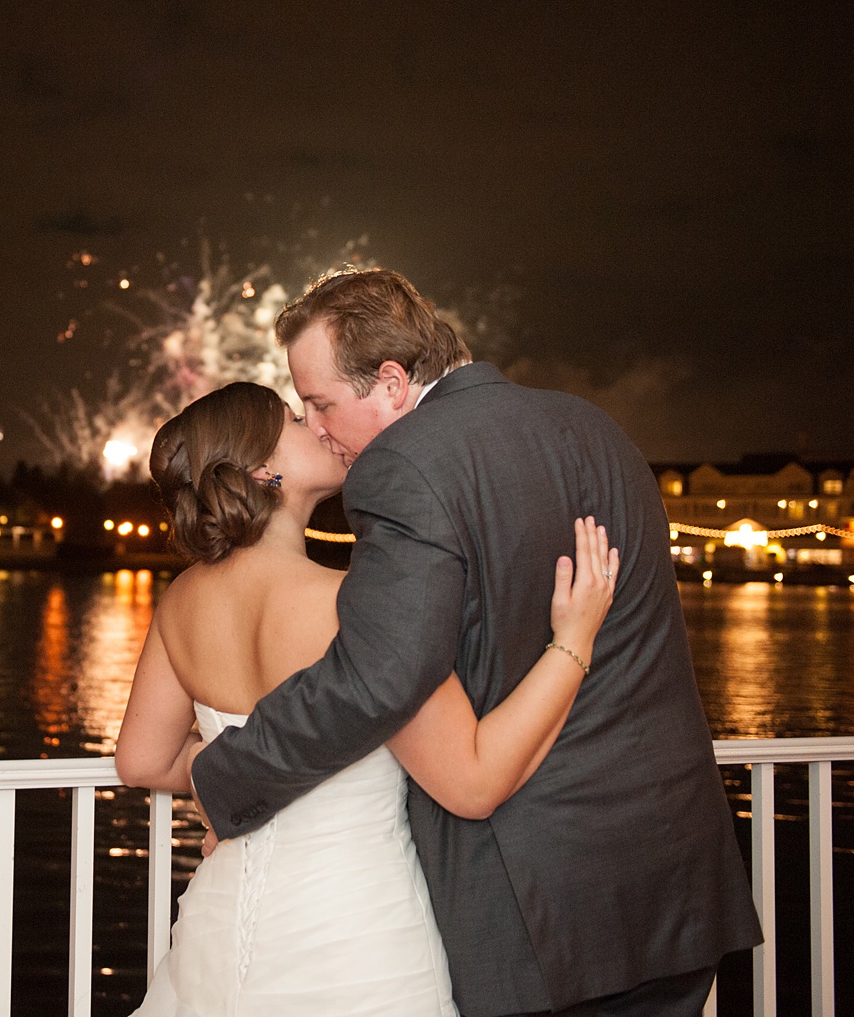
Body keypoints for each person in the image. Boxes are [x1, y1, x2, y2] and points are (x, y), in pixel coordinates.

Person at [187, 269, 761, 1016]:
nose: (317, 427)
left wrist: (223, 777)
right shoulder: (597, 430)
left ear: (392, 382)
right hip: (675, 884)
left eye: (322, 403)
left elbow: (376, 678)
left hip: (539, 915)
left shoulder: (403, 464)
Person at [115, 379, 619, 1016]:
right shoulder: (353, 604)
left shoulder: (182, 600)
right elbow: (475, 781)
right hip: (354, 936)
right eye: (298, 422)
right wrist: (573, 642)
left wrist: (222, 768)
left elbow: (141, 762)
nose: (320, 427)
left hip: (220, 929)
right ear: (262, 469)